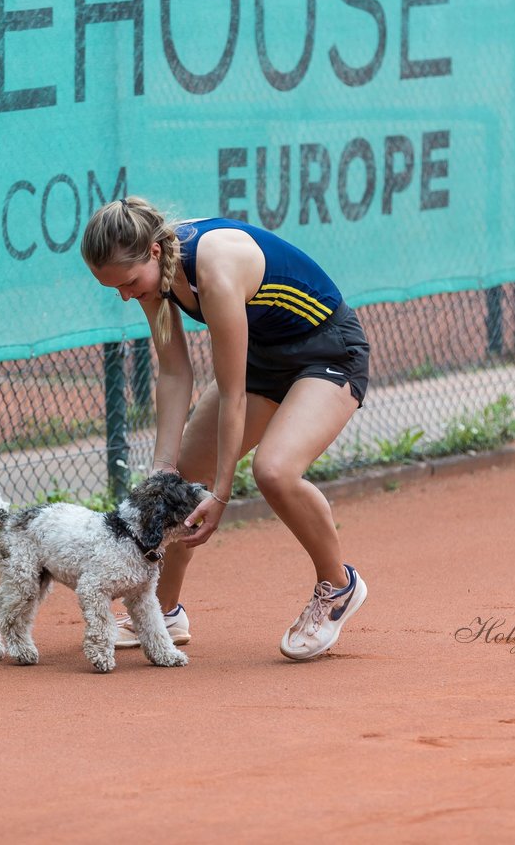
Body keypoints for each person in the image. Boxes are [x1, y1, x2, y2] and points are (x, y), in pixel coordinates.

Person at [81, 196, 371, 661]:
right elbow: (175, 373)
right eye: (114, 288)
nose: (125, 294)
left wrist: (219, 495)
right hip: (264, 361)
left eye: (129, 283)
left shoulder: (214, 270)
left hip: (327, 354)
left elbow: (233, 394)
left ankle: (337, 585)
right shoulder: (151, 274)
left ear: (154, 252)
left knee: (274, 470)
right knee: (175, 485)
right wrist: (163, 469)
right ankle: (164, 612)